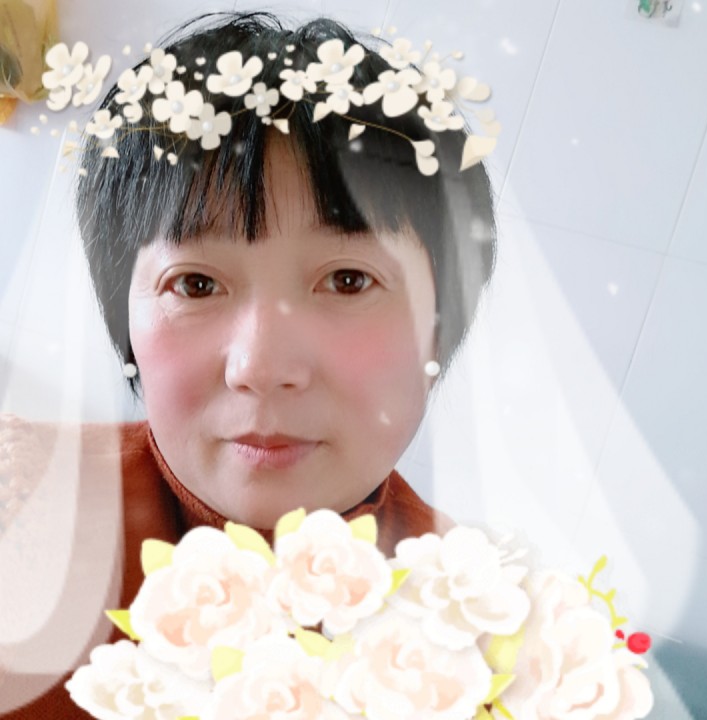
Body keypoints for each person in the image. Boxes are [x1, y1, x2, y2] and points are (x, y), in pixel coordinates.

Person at [0, 10, 496, 717]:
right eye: (196, 285)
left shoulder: (490, 640)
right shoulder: (16, 510)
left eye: (348, 280)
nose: (261, 367)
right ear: (124, 319)